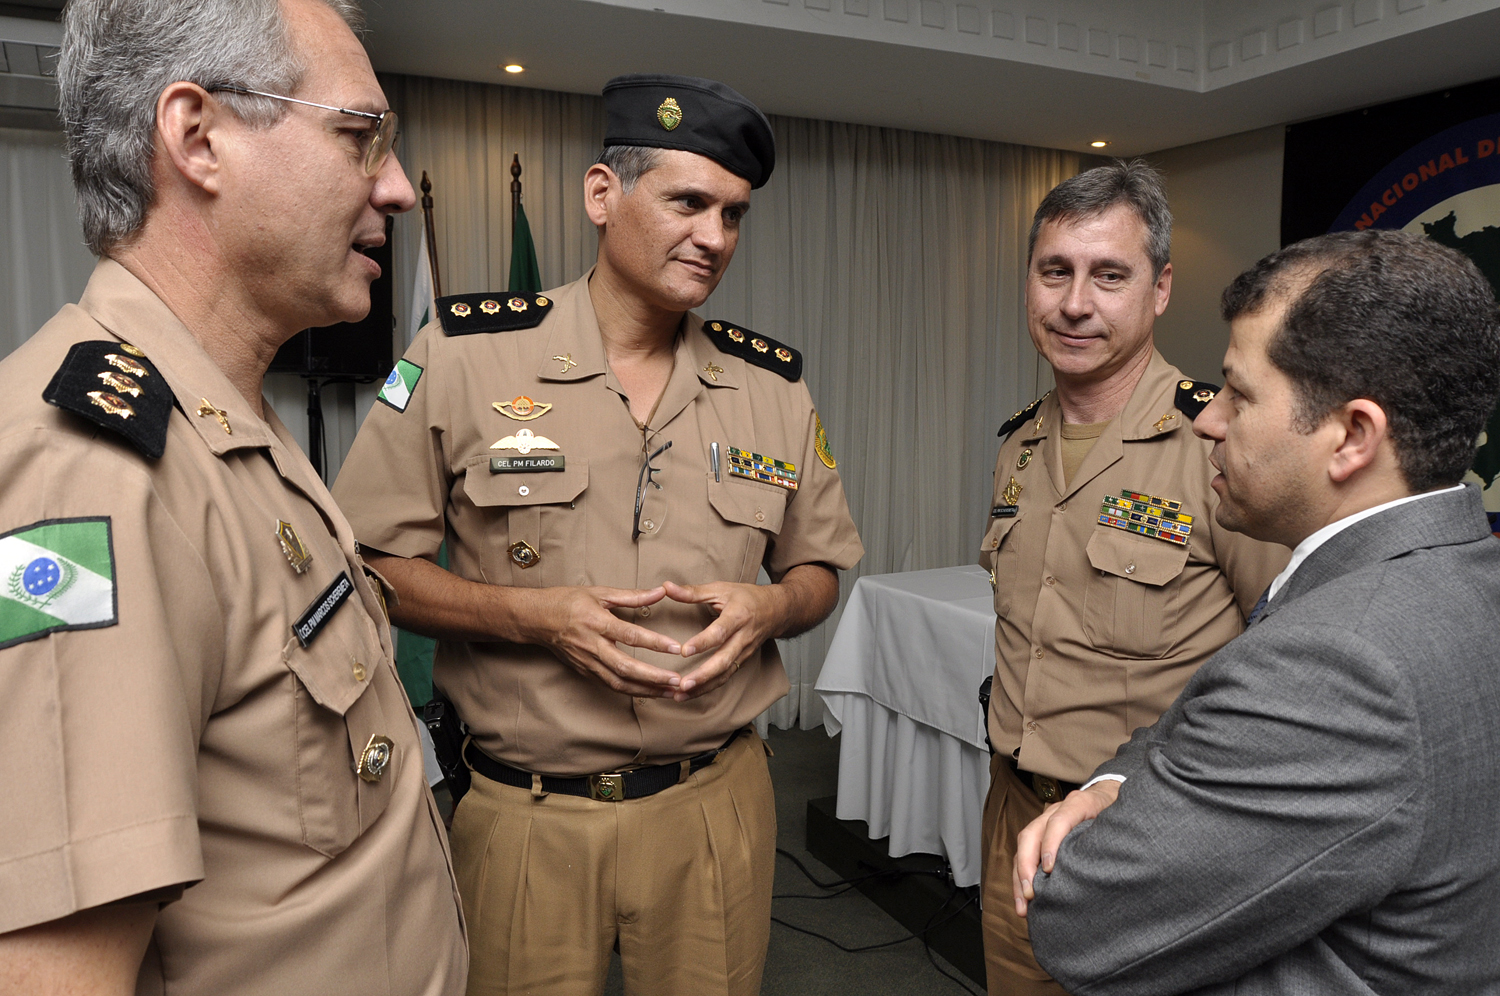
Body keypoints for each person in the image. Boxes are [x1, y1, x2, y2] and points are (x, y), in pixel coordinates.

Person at [331, 74, 863, 995]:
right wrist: (540, 620)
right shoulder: (458, 356)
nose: (714, 237)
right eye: (688, 202)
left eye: (734, 214)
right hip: (528, 817)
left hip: (713, 808)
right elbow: (370, 568)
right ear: (601, 195)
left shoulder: (772, 390)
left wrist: (774, 604)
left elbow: (821, 567)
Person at [0, 1, 467, 993]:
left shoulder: (227, 424)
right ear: (198, 137)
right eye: (358, 137)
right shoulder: (91, 469)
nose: (396, 188)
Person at [1012, 228, 1500, 995]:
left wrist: (1105, 810)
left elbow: (1080, 918)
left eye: (1239, 394)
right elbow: (1211, 716)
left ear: (1352, 435)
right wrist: (1115, 785)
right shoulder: (1457, 575)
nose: (1209, 420)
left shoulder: (1341, 666)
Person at [977, 159, 1288, 994]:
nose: (1076, 303)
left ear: (1158, 290)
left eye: (1109, 275)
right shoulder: (1020, 443)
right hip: (1014, 812)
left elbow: (1292, 651)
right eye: (1056, 272)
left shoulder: (1217, 444)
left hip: (1147, 828)